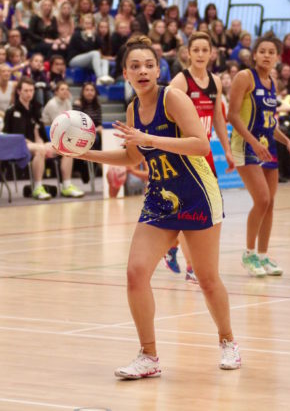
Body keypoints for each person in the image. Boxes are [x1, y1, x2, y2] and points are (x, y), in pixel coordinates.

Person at [68, 35, 241, 378]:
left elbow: (197, 144)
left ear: (158, 69)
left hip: (197, 193)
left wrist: (150, 139)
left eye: (149, 64)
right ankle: (149, 356)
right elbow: (133, 156)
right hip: (160, 196)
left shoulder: (173, 98)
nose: (143, 70)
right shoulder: (133, 108)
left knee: (206, 279)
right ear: (125, 73)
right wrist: (84, 154)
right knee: (135, 273)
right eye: (135, 66)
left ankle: (228, 341)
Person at [165, 31, 235, 283]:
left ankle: (172, 246)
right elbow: (166, 114)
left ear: (212, 53)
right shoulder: (181, 82)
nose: (201, 54)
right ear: (188, 53)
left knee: (212, 210)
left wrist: (227, 150)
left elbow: (218, 119)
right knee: (190, 212)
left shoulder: (215, 81)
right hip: (184, 155)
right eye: (196, 50)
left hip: (204, 155)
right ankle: (192, 266)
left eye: (205, 49)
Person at [228, 33, 290, 277]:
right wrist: (253, 142)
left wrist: (286, 140)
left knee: (271, 203)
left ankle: (263, 256)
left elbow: (269, 122)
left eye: (271, 52)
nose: (266, 55)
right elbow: (233, 115)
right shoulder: (245, 77)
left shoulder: (271, 82)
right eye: (262, 51)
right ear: (254, 54)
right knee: (262, 199)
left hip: (268, 145)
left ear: (277, 57)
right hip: (246, 145)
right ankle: (248, 254)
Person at [3, 77, 51, 200]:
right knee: (40, 150)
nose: (29, 93)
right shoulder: (12, 111)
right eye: (26, 90)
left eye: (31, 90)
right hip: (18, 145)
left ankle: (66, 185)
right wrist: (40, 145)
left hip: (38, 144)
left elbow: (39, 131)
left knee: (65, 149)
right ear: (19, 91)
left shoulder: (37, 108)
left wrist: (45, 143)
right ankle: (37, 188)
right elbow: (12, 136)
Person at [42, 81, 85, 198]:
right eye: (62, 89)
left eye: (67, 89)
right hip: (48, 137)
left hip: (62, 136)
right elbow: (60, 125)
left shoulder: (67, 102)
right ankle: (66, 185)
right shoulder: (52, 105)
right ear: (56, 92)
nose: (65, 91)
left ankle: (68, 183)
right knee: (68, 149)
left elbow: (70, 122)